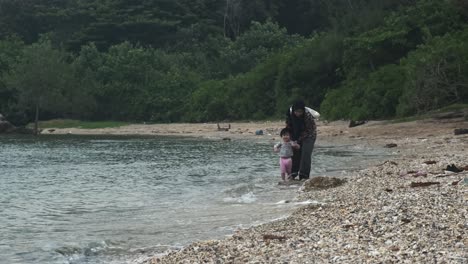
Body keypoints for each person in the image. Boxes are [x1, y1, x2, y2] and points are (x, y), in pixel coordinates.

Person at [285, 100, 318, 180]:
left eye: (300, 112)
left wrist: (298, 140)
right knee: (294, 153)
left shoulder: (307, 116)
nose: (298, 114)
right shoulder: (290, 114)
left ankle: (304, 175)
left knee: (305, 154)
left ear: (303, 111)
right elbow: (288, 127)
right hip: (296, 135)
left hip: (309, 135)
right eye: (296, 111)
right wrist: (290, 139)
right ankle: (293, 173)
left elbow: (309, 130)